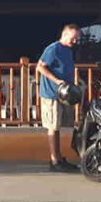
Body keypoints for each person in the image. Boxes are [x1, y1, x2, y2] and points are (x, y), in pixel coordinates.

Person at [36, 24, 81, 172]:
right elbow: (40, 67)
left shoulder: (68, 50)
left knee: (59, 126)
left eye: (76, 39)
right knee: (52, 126)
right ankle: (55, 160)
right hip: (51, 93)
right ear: (65, 34)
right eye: (73, 38)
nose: (75, 41)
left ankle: (59, 157)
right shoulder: (53, 49)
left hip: (64, 93)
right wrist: (57, 81)